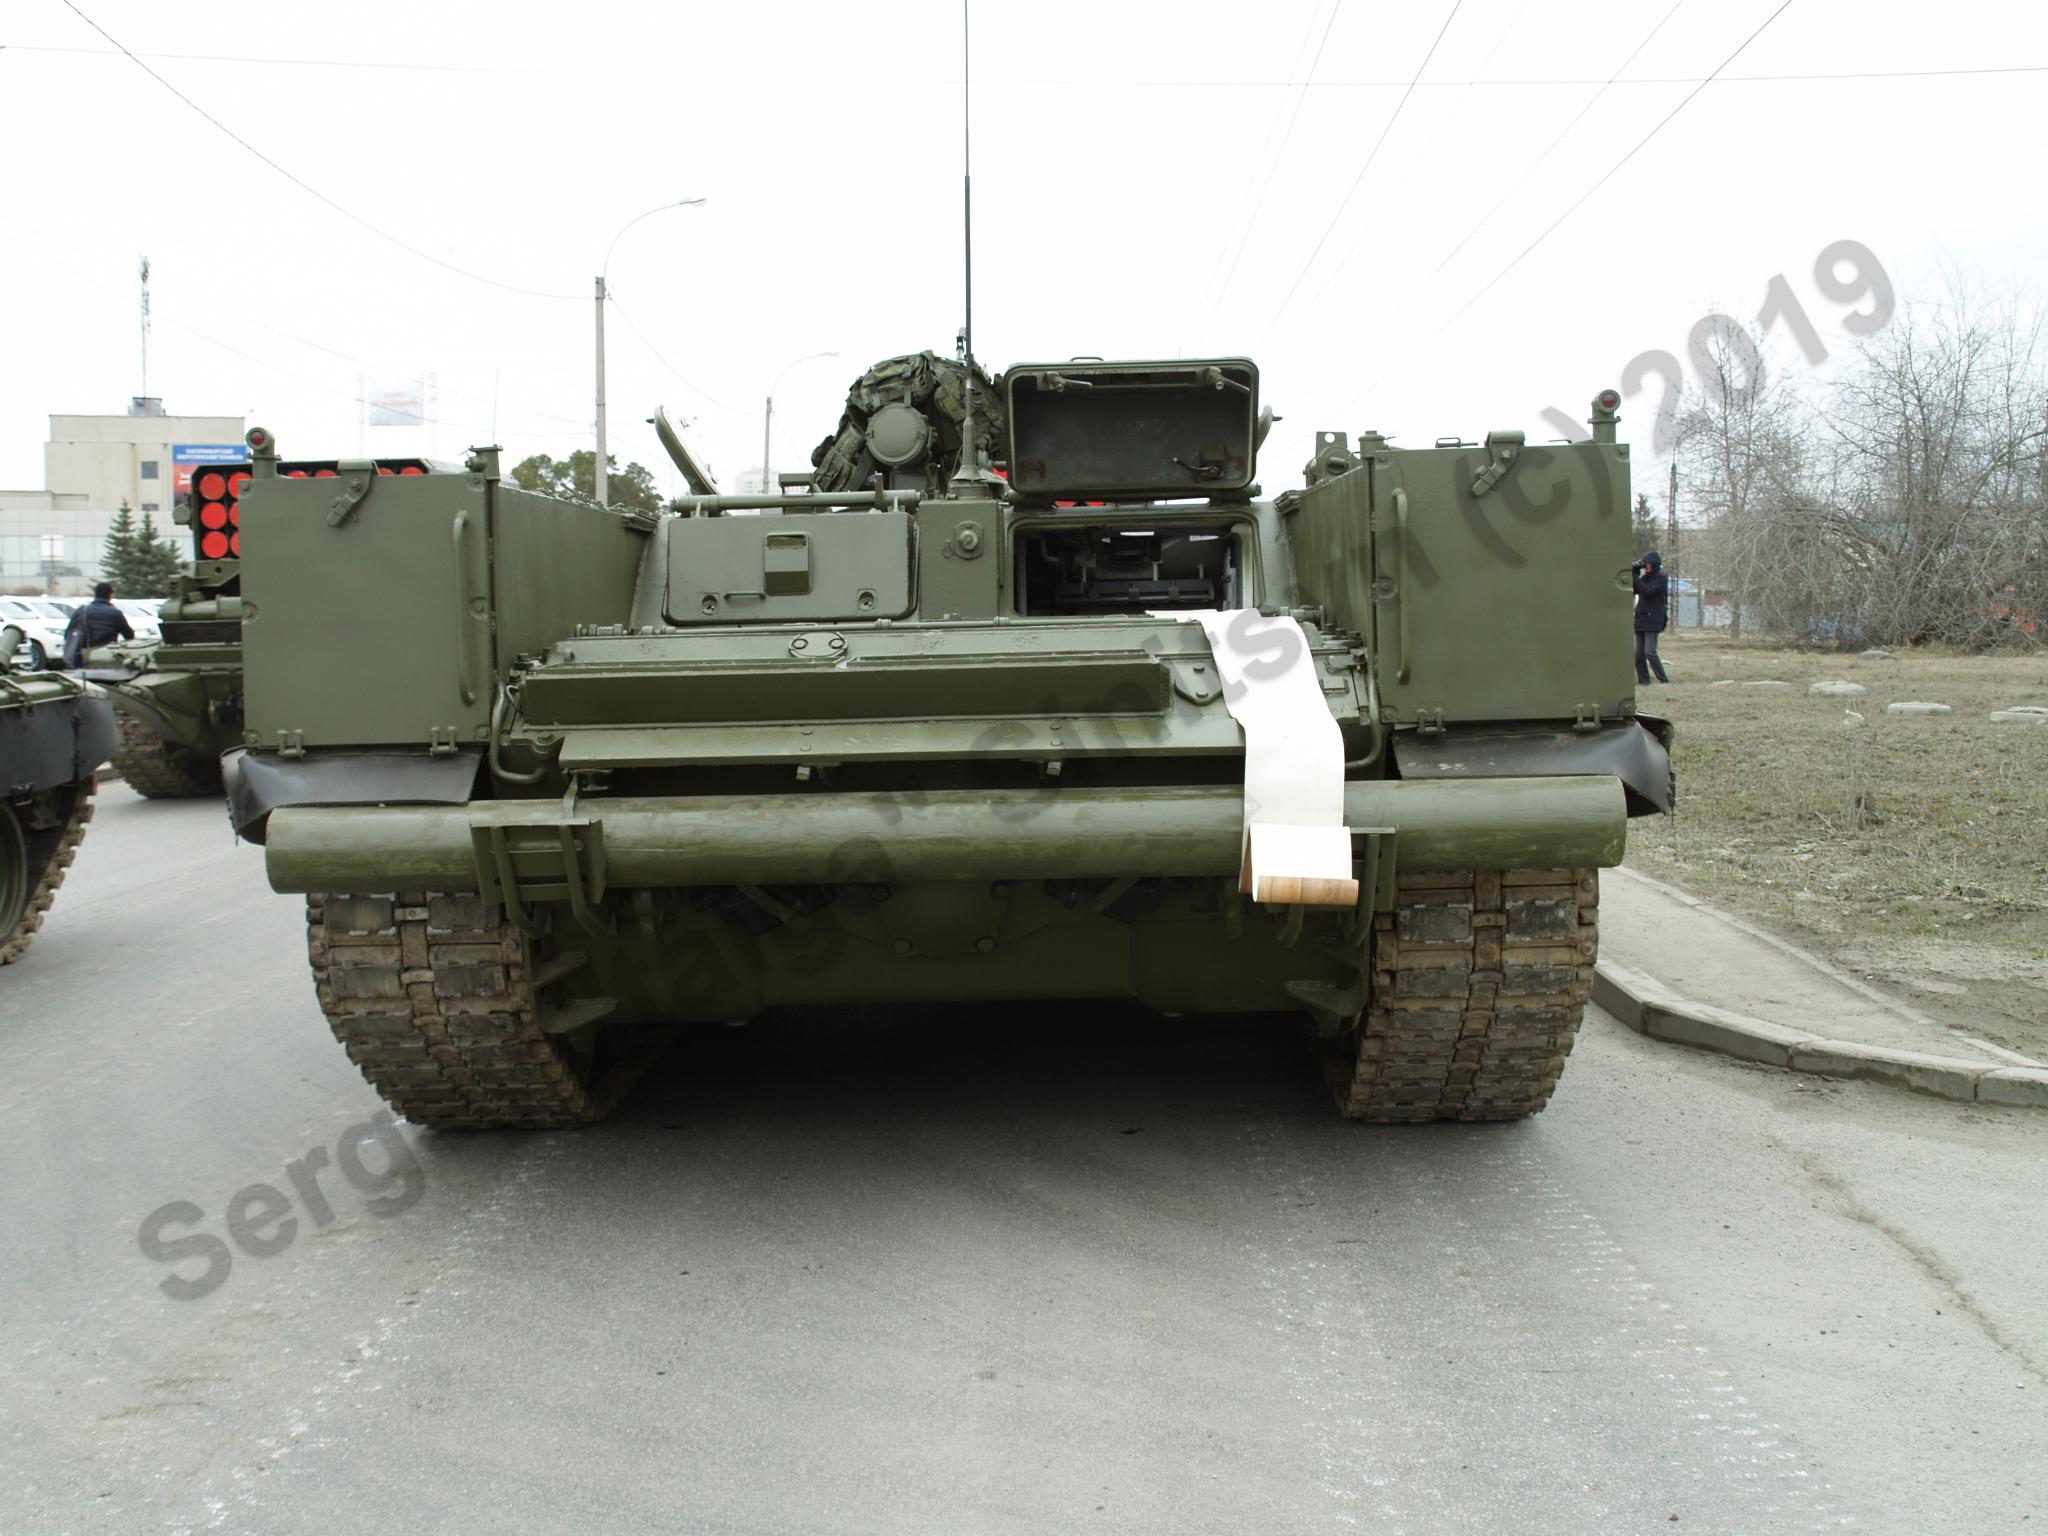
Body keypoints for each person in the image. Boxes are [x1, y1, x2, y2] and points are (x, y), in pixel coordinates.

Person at [61, 582, 135, 665]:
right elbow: (129, 636)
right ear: (110, 595)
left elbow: (68, 634)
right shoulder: (115, 613)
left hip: (84, 659)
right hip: (107, 658)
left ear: (95, 594)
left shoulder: (81, 611)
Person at [1631, 551, 1669, 684]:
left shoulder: (1661, 578)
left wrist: (1636, 578)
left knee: (1649, 652)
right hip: (1641, 619)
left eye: (1647, 564)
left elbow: (1647, 590)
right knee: (1639, 655)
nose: (1645, 566)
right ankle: (1644, 681)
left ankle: (1663, 680)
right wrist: (1634, 573)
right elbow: (1635, 589)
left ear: (1653, 564)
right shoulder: (1644, 578)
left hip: (1653, 619)